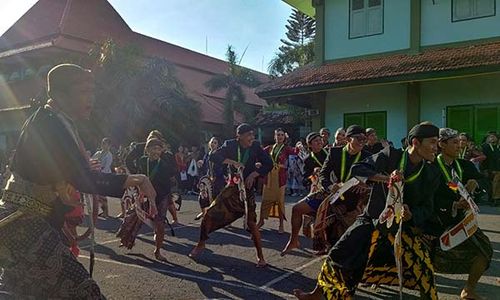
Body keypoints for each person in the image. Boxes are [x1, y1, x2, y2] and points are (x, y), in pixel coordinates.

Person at [0, 64, 157, 299]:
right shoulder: (48, 123)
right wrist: (138, 179)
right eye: (84, 91)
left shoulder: (55, 120)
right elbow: (83, 179)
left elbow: (71, 171)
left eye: (92, 91)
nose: (91, 98)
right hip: (24, 223)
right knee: (86, 293)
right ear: (60, 95)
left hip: (34, 220)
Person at [294, 122, 441, 300]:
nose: (436, 147)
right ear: (416, 142)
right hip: (372, 219)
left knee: (424, 270)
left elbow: (428, 207)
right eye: (432, 142)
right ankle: (316, 294)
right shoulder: (390, 155)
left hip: (402, 227)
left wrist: (413, 214)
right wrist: (385, 178)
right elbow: (359, 168)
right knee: (338, 254)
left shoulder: (431, 172)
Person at [189, 123, 273, 267]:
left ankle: (260, 257)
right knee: (208, 213)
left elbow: (268, 164)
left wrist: (254, 174)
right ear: (239, 136)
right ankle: (201, 244)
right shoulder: (230, 145)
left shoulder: (256, 146)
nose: (252, 137)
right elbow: (213, 156)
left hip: (246, 191)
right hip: (232, 188)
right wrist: (231, 161)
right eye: (249, 135)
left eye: (253, 135)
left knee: (252, 224)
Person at [427, 128, 492, 300]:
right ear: (442, 144)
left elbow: (484, 180)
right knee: (427, 259)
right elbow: (428, 198)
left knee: (485, 251)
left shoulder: (465, 165)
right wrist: (453, 204)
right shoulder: (431, 167)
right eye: (454, 142)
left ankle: (469, 290)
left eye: (459, 142)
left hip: (461, 220)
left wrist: (476, 183)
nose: (459, 145)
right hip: (436, 221)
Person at [312, 125, 371, 255]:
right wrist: (330, 186)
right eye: (359, 138)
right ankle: (322, 243)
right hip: (335, 193)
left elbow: (375, 177)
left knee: (353, 233)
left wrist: (366, 185)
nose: (362, 141)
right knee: (299, 208)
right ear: (349, 139)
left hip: (356, 197)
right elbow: (323, 175)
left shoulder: (368, 156)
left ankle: (346, 251)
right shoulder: (335, 152)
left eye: (364, 139)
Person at [280, 132, 328, 255]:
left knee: (323, 217)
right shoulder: (308, 160)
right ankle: (294, 240)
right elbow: (305, 179)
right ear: (310, 145)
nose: (319, 142)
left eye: (320, 140)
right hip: (318, 191)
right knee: (297, 209)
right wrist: (313, 173)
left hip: (333, 191)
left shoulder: (330, 154)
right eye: (316, 141)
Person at [137, 138, 177, 261]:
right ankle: (127, 238)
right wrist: (142, 192)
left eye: (159, 149)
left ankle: (158, 250)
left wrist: (155, 199)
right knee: (134, 218)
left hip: (161, 197)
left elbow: (167, 185)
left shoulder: (164, 165)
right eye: (153, 148)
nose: (156, 151)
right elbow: (139, 176)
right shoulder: (142, 161)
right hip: (144, 195)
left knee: (160, 225)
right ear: (147, 150)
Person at [258, 128, 296, 233]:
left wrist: (299, 147)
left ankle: (281, 224)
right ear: (274, 137)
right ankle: (261, 221)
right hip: (269, 177)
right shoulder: (269, 148)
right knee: (265, 200)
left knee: (280, 201)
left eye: (281, 135)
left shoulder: (286, 149)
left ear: (284, 137)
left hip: (280, 178)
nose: (279, 137)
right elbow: (259, 154)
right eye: (278, 135)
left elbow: (295, 152)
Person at [195, 137, 225, 220]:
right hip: (208, 179)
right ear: (209, 144)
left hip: (218, 179)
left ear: (218, 145)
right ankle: (203, 212)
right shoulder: (207, 154)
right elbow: (204, 165)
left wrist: (216, 176)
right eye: (212, 142)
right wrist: (200, 163)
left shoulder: (219, 154)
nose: (213, 144)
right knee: (202, 196)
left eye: (215, 143)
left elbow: (222, 167)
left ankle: (222, 217)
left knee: (218, 199)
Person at [92, 137, 113, 218]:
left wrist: (99, 170)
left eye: (105, 143)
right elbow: (92, 160)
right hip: (97, 175)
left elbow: (106, 167)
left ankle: (106, 212)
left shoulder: (109, 155)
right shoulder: (98, 153)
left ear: (109, 145)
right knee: (99, 195)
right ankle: (104, 211)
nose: (103, 145)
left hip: (105, 176)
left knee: (103, 195)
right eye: (102, 143)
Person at [481, 132, 500, 204]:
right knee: (490, 184)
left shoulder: (498, 147)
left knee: (496, 182)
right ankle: (493, 198)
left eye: (493, 137)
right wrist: (485, 169)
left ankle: (495, 198)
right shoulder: (485, 147)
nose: (492, 138)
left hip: (498, 169)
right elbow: (483, 160)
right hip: (488, 169)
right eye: (490, 137)